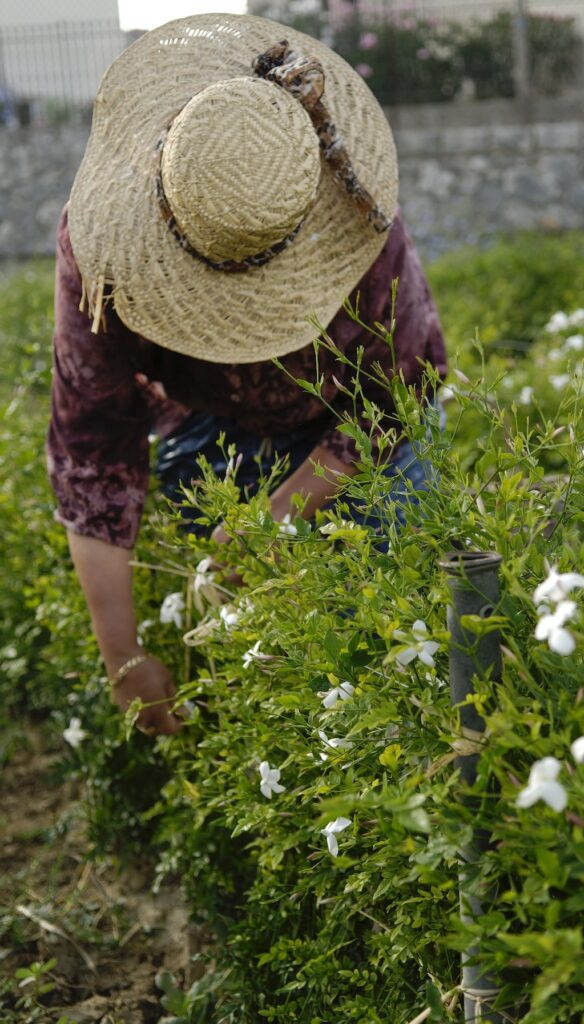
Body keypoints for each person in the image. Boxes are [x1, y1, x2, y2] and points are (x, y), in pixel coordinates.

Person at [47, 14, 447, 738]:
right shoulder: (101, 252)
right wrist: (123, 658)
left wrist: (278, 519)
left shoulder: (358, 218)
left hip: (349, 423)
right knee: (248, 655)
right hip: (209, 424)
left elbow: (402, 395)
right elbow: (93, 452)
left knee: (391, 630)